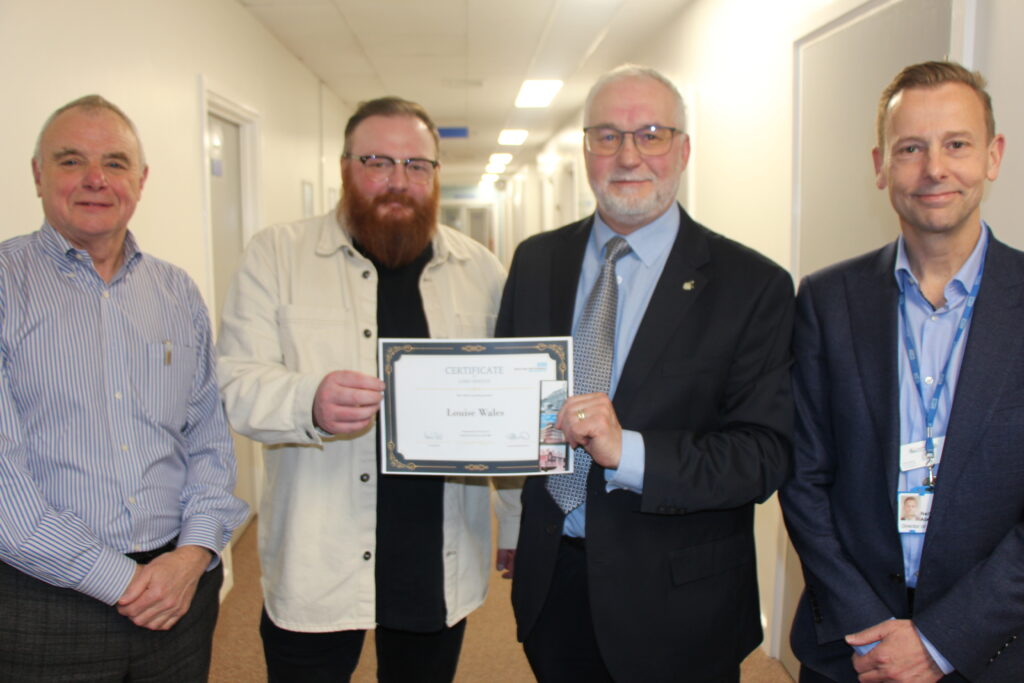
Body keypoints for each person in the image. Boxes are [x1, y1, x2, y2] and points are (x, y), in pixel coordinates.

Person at [496, 64, 793, 683]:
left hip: (680, 602)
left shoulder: (752, 285)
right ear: (586, 151)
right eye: (607, 136)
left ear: (683, 150)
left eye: (651, 133)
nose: (628, 155)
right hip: (554, 583)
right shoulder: (536, 260)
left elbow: (762, 456)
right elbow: (506, 400)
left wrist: (625, 450)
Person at [217, 96, 520, 682]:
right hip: (318, 553)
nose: (397, 181)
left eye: (416, 166)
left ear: (435, 174)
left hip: (435, 552)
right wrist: (309, 399)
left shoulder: (481, 271)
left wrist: (515, 519)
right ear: (345, 167)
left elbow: (510, 408)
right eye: (377, 162)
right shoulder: (276, 255)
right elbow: (238, 383)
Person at [781, 60, 1024, 682]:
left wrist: (941, 641)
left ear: (993, 156)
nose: (934, 168)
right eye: (910, 148)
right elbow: (803, 476)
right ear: (881, 165)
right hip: (852, 648)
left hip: (997, 649)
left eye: (957, 145)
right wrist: (871, 630)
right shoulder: (826, 300)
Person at [0, 95, 247, 681]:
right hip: (43, 601)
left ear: (141, 179)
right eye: (70, 161)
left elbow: (209, 440)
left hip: (181, 596)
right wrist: (122, 580)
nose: (95, 179)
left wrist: (193, 554)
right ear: (38, 174)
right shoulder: (8, 285)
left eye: (115, 162)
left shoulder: (176, 291)